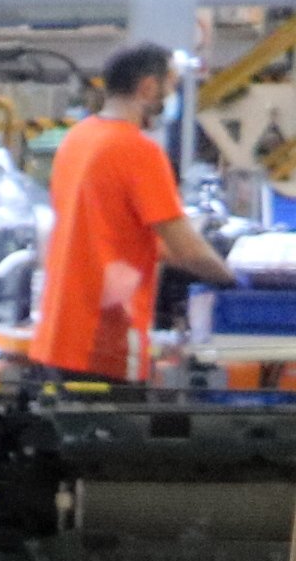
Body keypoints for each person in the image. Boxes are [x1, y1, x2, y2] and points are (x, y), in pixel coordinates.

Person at [30, 41, 233, 387]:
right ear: (148, 87)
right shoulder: (138, 151)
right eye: (170, 87)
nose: (170, 98)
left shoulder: (77, 139)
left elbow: (117, 233)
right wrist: (232, 279)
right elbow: (185, 248)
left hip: (59, 334)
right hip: (106, 338)